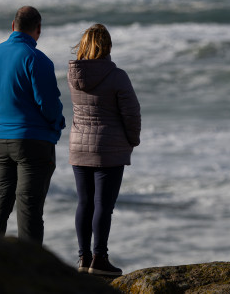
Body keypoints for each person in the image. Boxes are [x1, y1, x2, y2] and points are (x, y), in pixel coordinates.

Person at [0, 6, 65, 245]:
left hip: (1, 139)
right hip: (33, 142)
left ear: (12, 26)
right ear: (38, 29)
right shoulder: (37, 59)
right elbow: (48, 104)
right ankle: (32, 270)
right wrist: (57, 125)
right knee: (28, 209)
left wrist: (1, 123)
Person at [67, 23, 141, 276]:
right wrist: (132, 140)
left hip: (79, 145)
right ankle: (100, 258)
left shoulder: (73, 75)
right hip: (108, 148)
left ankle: (83, 258)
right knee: (103, 205)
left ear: (84, 46)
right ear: (107, 46)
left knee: (84, 203)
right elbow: (131, 113)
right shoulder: (117, 75)